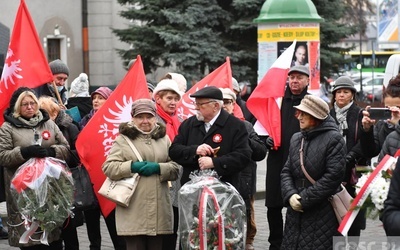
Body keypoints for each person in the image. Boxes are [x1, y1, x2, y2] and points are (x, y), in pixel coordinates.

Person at [102, 98, 180, 250]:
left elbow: (176, 168)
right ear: (133, 117)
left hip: (159, 211)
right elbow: (109, 168)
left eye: (149, 116)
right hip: (133, 210)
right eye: (140, 117)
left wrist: (159, 168)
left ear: (155, 117)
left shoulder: (164, 139)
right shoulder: (123, 140)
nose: (145, 121)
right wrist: (131, 166)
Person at [0, 87, 69, 249]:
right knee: (31, 241)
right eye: (25, 104)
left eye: (32, 103)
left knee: (53, 239)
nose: (30, 107)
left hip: (51, 191)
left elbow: (66, 148)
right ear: (18, 107)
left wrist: (52, 151)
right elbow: (2, 156)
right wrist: (24, 152)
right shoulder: (8, 128)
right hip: (22, 193)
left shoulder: (49, 124)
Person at [281, 95, 346, 249]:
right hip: (295, 211)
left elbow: (333, 177)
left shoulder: (334, 139)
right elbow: (286, 171)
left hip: (322, 211)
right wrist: (290, 195)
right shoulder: (296, 138)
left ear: (316, 116)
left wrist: (304, 199)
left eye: (304, 113)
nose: (299, 117)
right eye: (299, 113)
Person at [169, 86, 252, 194]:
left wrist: (215, 162)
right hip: (192, 191)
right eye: (195, 104)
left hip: (223, 192)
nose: (196, 108)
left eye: (200, 104)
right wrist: (195, 150)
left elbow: (243, 156)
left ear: (216, 106)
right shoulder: (189, 124)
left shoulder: (235, 125)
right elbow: (174, 151)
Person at [263, 65, 309, 249]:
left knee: (296, 205)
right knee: (272, 206)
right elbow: (263, 125)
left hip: (301, 163)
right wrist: (265, 139)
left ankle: (294, 243)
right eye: (291, 78)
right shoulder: (277, 101)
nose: (295, 81)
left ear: (307, 80)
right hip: (275, 160)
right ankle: (275, 243)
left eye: (299, 77)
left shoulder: (310, 102)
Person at [78, 86, 126, 250]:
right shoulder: (84, 121)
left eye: (101, 97)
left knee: (112, 220)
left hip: (109, 178)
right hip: (89, 178)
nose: (96, 101)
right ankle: (94, 246)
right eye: (94, 98)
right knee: (91, 219)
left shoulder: (115, 122)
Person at [220, 88, 267, 250]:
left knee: (243, 219)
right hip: (219, 185)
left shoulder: (245, 126)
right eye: (221, 102)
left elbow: (260, 153)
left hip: (242, 183)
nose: (224, 105)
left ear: (234, 104)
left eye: (228, 102)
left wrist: (243, 134)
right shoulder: (211, 126)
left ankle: (247, 241)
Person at [38, 96, 84, 250]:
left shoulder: (69, 127)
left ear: (55, 113)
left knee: (68, 226)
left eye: (48, 113)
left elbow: (78, 154)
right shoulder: (38, 128)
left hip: (66, 182)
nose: (45, 117)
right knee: (51, 226)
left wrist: (54, 154)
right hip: (46, 184)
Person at [329, 76, 369, 242]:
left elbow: (365, 142)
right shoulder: (328, 114)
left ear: (352, 94)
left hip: (356, 171)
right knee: (335, 216)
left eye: (346, 92)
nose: (342, 95)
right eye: (339, 92)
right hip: (333, 170)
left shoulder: (360, 114)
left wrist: (350, 156)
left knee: (354, 217)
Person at [151, 79, 183, 249]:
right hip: (159, 181)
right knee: (161, 230)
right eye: (169, 98)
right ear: (158, 99)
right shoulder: (152, 121)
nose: (173, 102)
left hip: (176, 182)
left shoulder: (178, 120)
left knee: (173, 227)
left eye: (176, 99)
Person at [360, 74, 400, 160]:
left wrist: (398, 125)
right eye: (388, 108)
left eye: (398, 107)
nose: (392, 112)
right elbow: (369, 152)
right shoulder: (382, 125)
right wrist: (367, 130)